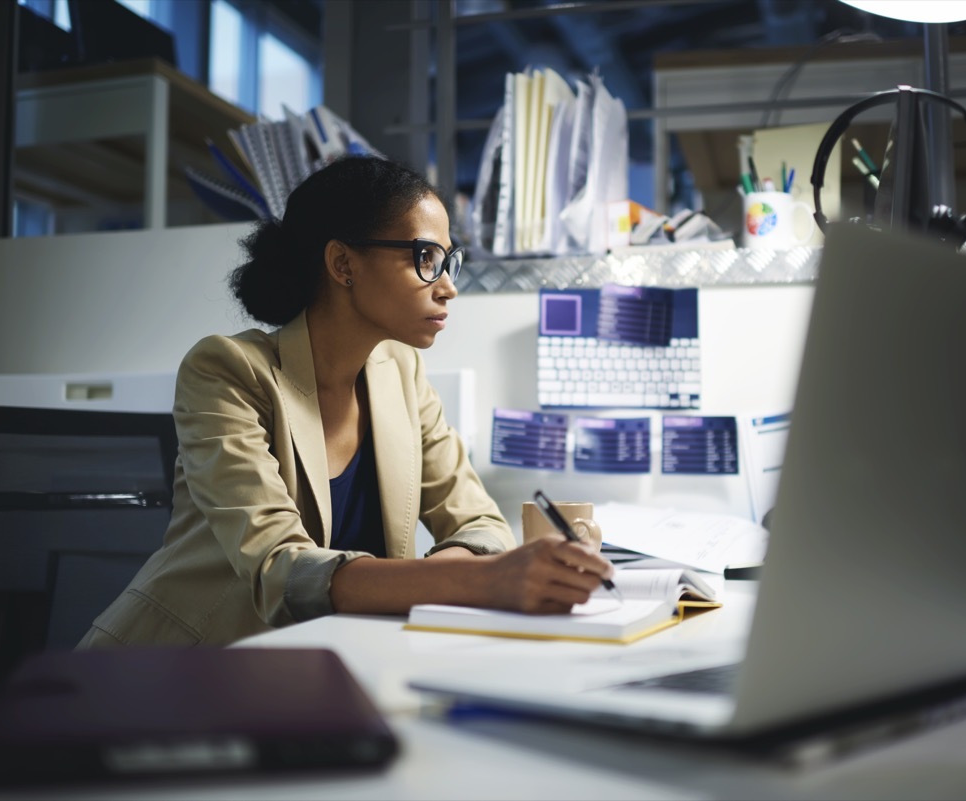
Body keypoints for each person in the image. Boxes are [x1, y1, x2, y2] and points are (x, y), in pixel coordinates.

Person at [79, 156, 613, 647]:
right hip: (180, 671)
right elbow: (281, 570)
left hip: (327, 664)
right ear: (342, 264)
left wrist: (467, 573)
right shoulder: (227, 370)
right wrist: (476, 578)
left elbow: (479, 523)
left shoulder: (401, 372)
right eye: (426, 257)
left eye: (451, 260)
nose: (448, 286)